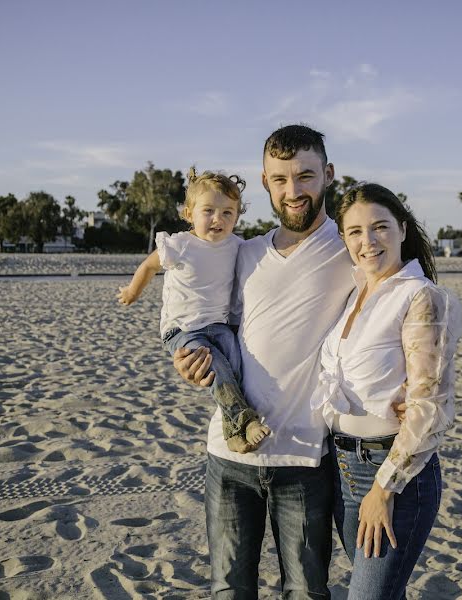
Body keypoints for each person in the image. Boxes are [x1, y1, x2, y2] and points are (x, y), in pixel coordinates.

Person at [173, 125, 355, 598]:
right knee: (229, 590)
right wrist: (188, 361)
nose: (292, 191)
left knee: (306, 592)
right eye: (279, 179)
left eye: (305, 176)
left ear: (328, 175)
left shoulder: (351, 250)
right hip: (227, 457)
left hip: (304, 457)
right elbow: (213, 326)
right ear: (265, 182)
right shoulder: (245, 252)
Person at [311, 183, 462, 599]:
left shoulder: (421, 298)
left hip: (394, 477)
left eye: (379, 227)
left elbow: (430, 408)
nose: (368, 241)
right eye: (355, 231)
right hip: (343, 469)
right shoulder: (354, 292)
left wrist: (384, 489)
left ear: (402, 227)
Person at [118, 167, 270, 453]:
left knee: (235, 366)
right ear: (189, 214)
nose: (218, 219)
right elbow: (149, 266)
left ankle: (233, 434)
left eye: (228, 213)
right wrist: (132, 292)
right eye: (209, 210)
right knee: (217, 367)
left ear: (237, 216)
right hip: (183, 329)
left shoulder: (237, 246)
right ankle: (245, 421)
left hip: (219, 325)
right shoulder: (180, 245)